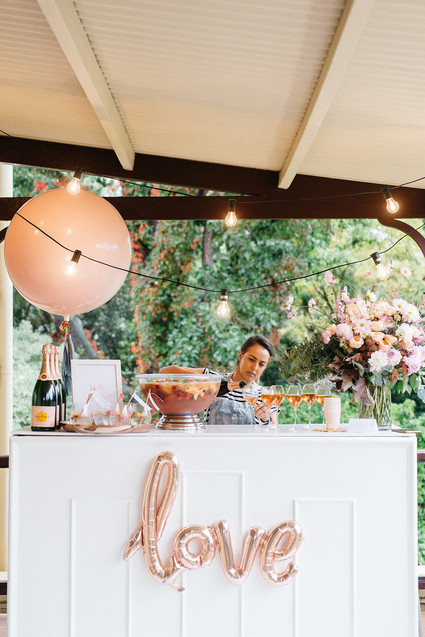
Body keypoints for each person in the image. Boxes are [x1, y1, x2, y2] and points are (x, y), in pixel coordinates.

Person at [160, 335, 277, 425]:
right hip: (210, 447)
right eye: (251, 359)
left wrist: (265, 419)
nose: (255, 368)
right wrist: (204, 380)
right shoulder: (214, 380)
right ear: (240, 356)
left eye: (261, 364)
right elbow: (166, 372)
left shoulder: (266, 396)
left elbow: (274, 430)